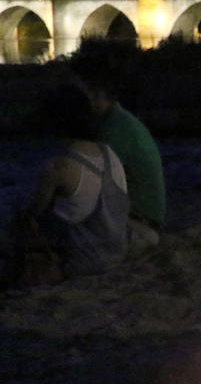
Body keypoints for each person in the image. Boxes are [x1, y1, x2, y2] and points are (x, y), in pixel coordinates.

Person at [12, 83, 130, 282]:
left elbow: (33, 211)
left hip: (85, 261)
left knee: (21, 221)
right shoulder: (109, 154)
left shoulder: (59, 167)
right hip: (116, 252)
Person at [71, 50, 166, 253]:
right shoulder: (118, 122)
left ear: (95, 92)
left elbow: (86, 189)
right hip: (143, 223)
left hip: (138, 228)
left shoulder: (114, 131)